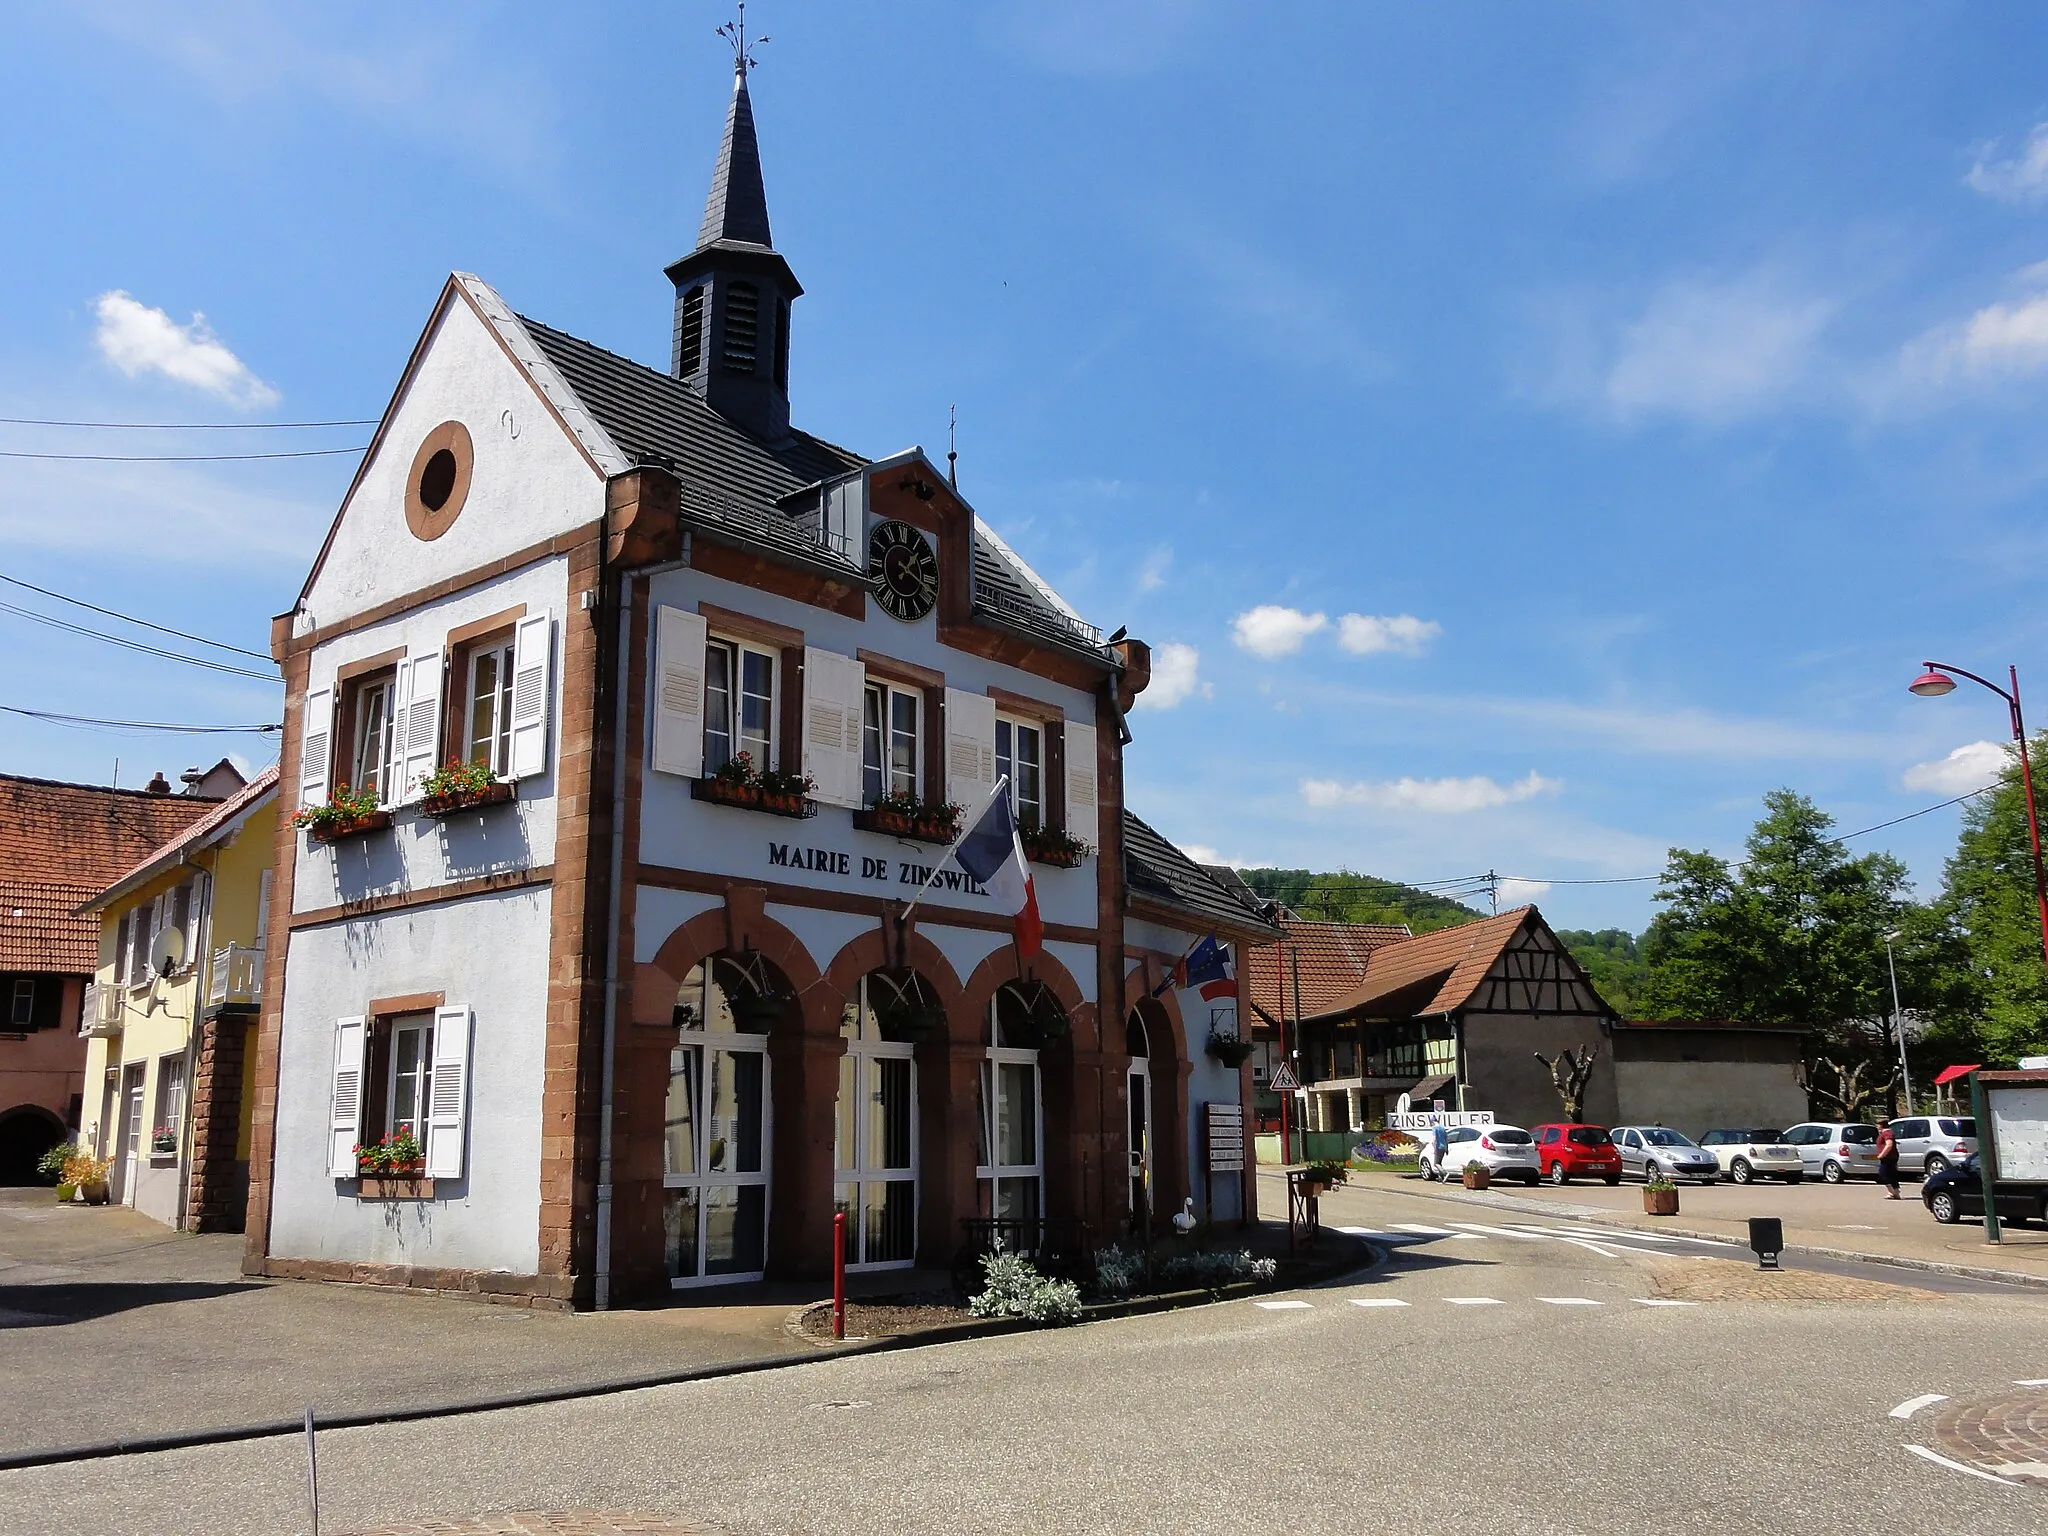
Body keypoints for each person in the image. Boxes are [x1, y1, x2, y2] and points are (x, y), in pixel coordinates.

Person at [1874, 1116, 1900, 1199]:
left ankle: (1892, 1191)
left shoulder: (1887, 1133)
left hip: (1888, 1157)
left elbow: (1889, 1144)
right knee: (1891, 1174)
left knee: (1883, 1174)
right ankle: (1896, 1192)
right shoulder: (1885, 1133)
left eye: (1878, 1125)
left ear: (1881, 1125)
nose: (1877, 1126)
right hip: (1891, 1157)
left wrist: (1882, 1154)